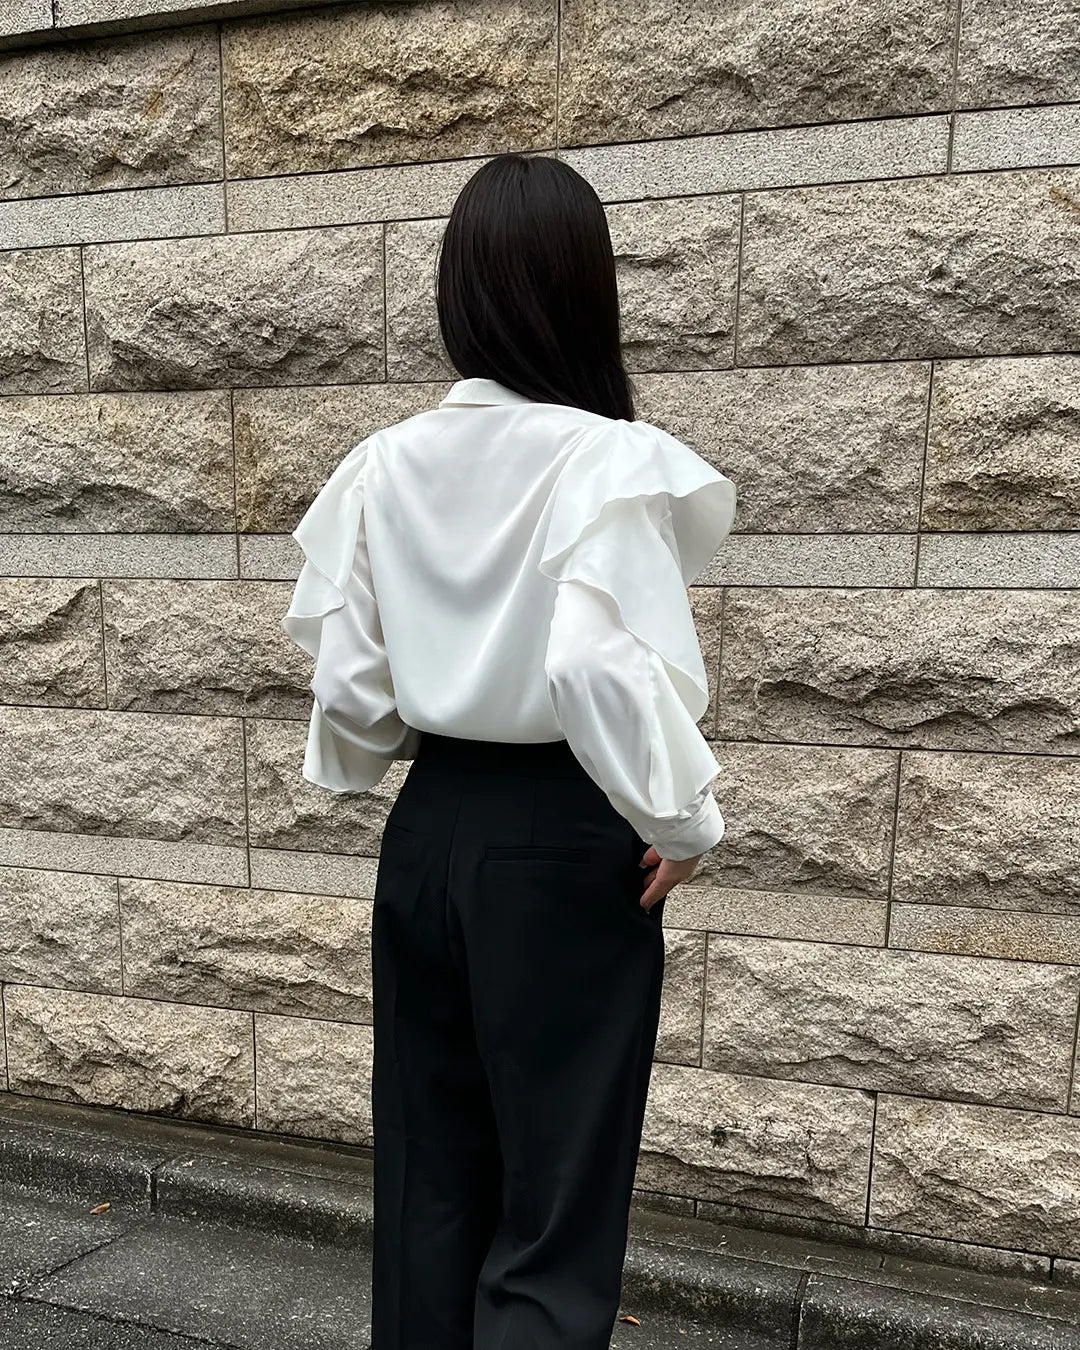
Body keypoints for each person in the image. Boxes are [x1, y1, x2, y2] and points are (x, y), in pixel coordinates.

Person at [281, 152, 736, 1350]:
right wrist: (684, 824)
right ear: (587, 291)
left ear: (460, 292)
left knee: (428, 1181)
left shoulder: (383, 464)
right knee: (553, 1209)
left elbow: (355, 696)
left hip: (431, 830)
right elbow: (594, 666)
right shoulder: (604, 458)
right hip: (561, 838)